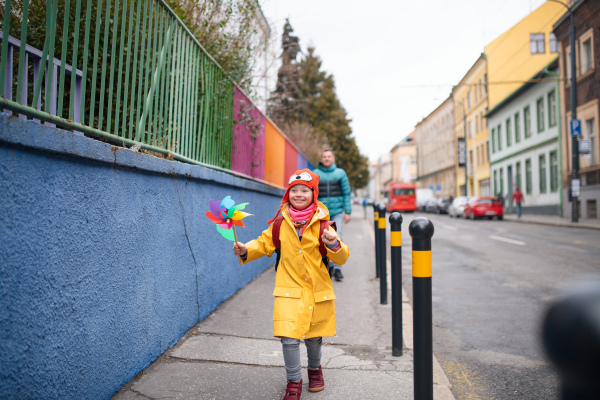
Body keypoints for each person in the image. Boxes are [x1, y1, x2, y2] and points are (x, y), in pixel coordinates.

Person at [232, 169, 350, 400]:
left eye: (304, 190)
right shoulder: (280, 222)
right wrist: (246, 249)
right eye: (294, 190)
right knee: (289, 337)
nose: (298, 194)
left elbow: (341, 258)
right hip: (288, 288)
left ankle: (315, 370)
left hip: (317, 289)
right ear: (287, 194)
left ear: (313, 194)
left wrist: (334, 243)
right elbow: (264, 243)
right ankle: (294, 381)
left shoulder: (324, 225)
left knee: (314, 337)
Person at [313, 149, 351, 282]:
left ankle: (338, 268)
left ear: (333, 159)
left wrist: (348, 212)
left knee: (337, 236)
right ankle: (327, 266)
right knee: (321, 238)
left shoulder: (340, 173)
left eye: (329, 156)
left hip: (337, 212)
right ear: (321, 159)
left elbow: (347, 193)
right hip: (320, 213)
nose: (327, 158)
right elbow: (312, 193)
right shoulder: (315, 174)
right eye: (324, 156)